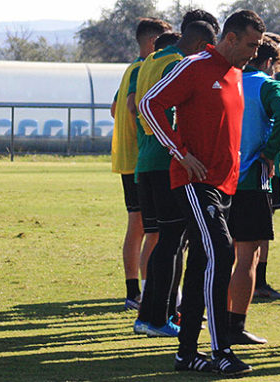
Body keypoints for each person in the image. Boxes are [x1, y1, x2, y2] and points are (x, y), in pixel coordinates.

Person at [139, 9, 266, 375]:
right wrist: (180, 151)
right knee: (221, 253)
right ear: (229, 38)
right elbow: (149, 104)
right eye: (250, 44)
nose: (254, 52)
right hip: (195, 183)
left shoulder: (236, 74)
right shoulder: (195, 65)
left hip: (226, 185)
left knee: (202, 265)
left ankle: (186, 354)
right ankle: (220, 349)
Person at [133, 21, 217, 337]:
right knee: (171, 242)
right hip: (167, 161)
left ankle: (159, 314)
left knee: (164, 240)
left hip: (146, 160)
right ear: (199, 47)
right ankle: (155, 317)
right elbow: (170, 111)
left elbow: (134, 106)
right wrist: (183, 150)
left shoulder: (149, 61)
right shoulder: (179, 65)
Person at [226, 34, 280, 345]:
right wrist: (270, 150)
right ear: (268, 61)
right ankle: (235, 326)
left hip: (220, 180)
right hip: (252, 179)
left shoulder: (228, 78)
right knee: (247, 256)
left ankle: (218, 318)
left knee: (222, 255)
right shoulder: (268, 84)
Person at [110, 17, 171, 310]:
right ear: (152, 43)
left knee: (140, 225)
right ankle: (139, 292)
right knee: (145, 228)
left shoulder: (132, 69)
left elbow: (114, 108)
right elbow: (133, 105)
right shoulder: (142, 68)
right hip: (139, 159)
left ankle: (136, 290)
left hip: (131, 159)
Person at [252, 31, 280, 300]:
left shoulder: (279, 80)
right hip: (258, 167)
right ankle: (254, 281)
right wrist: (274, 150)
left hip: (265, 166)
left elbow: (271, 123)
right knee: (256, 227)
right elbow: (279, 117)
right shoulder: (268, 83)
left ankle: (260, 279)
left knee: (265, 223)